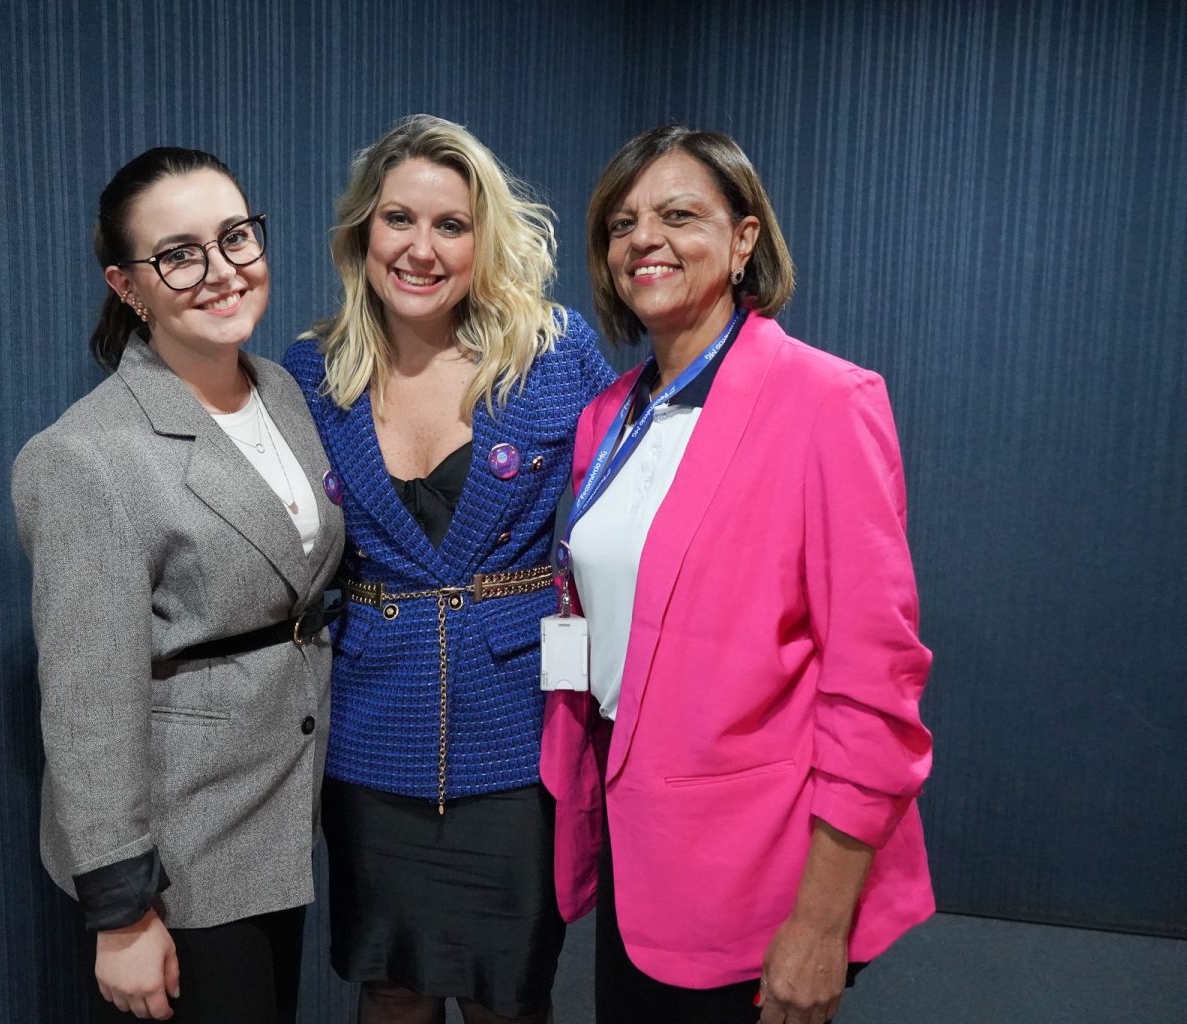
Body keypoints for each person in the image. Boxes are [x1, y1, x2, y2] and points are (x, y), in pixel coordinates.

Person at [539, 124, 935, 1024]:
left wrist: (821, 922)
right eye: (623, 224)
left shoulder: (827, 402)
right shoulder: (610, 413)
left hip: (756, 862)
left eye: (679, 215)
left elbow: (875, 687)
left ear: (744, 238)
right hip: (638, 832)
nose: (645, 239)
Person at [283, 114, 617, 1024]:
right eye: (399, 219)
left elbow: (632, 505)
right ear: (363, 231)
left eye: (451, 225)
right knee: (390, 985)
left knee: (509, 994)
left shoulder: (553, 354)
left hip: (516, 738)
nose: (420, 249)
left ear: (484, 240)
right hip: (370, 731)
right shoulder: (311, 372)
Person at [12, 147, 344, 1023]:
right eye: (179, 254)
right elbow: (86, 701)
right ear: (128, 287)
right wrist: (121, 912)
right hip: (182, 843)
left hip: (283, 806)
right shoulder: (84, 457)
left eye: (235, 237)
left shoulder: (283, 391)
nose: (222, 271)